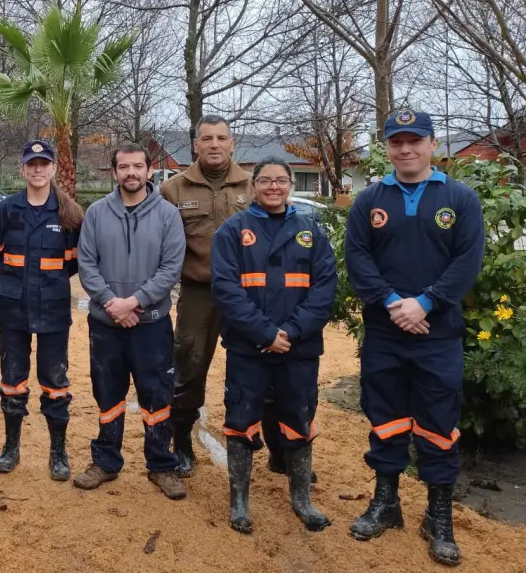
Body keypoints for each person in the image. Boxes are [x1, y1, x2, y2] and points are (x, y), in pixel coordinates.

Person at [345, 110, 484, 566]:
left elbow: (467, 261)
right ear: (386, 147)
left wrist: (425, 303)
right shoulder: (369, 200)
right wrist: (392, 303)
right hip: (385, 333)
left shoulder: (460, 199)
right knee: (385, 418)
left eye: (414, 140)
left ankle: (437, 517)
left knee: (438, 423)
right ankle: (386, 503)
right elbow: (357, 258)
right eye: (396, 142)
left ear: (432, 144)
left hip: (437, 335)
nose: (405, 149)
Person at [210, 157, 337, 534]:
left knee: (298, 419)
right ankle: (239, 502)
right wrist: (266, 333)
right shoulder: (233, 231)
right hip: (249, 348)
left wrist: (290, 333)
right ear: (254, 185)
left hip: (299, 350)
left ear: (291, 184)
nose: (273, 187)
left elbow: (324, 289)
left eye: (281, 180)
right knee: (241, 421)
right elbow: (226, 289)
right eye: (265, 180)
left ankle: (301, 499)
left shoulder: (310, 230)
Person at [74, 143, 187, 499]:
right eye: (124, 167)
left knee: (157, 394)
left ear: (150, 170)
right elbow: (86, 264)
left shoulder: (168, 215)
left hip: (151, 324)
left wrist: (134, 303)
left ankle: (161, 465)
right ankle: (106, 461)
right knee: (108, 392)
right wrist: (112, 304)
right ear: (114, 172)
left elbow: (170, 268)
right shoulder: (96, 213)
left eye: (138, 166)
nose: (131, 173)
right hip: (106, 325)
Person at [0, 140, 83, 481]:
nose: (38, 170)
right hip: (13, 306)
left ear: (53, 168)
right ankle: (11, 448)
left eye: (44, 164)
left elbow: (74, 263)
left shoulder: (69, 213)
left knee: (55, 380)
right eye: (31, 164)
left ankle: (58, 452)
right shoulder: (7, 210)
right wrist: (16, 280)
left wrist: (47, 282)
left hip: (53, 307)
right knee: (12, 378)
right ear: (22, 169)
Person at [159, 114, 253, 477]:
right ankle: (182, 442)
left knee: (256, 368)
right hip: (199, 293)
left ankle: (275, 446)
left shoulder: (252, 186)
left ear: (232, 144)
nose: (215, 144)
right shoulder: (173, 190)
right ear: (196, 145)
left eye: (221, 138)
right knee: (189, 366)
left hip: (247, 294)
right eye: (207, 138)